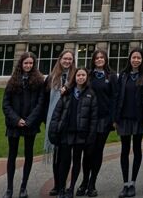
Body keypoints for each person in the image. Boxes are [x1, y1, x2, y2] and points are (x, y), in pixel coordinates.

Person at [1, 50, 45, 198]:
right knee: (12, 155)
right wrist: (16, 119)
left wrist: (29, 120)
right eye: (26, 63)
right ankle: (9, 188)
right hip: (14, 124)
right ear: (21, 63)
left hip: (30, 124)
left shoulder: (39, 81)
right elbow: (5, 104)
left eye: (31, 63)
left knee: (29, 154)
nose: (28, 65)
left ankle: (23, 187)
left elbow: (41, 104)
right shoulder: (13, 80)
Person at [49, 67, 98, 198]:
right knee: (64, 161)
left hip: (81, 134)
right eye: (78, 75)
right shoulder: (67, 93)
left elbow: (93, 118)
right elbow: (57, 112)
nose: (81, 77)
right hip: (66, 132)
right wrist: (54, 129)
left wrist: (91, 135)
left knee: (77, 162)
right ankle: (61, 188)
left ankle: (71, 188)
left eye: (83, 75)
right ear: (74, 77)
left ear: (86, 78)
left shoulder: (91, 94)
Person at [79, 49, 117, 197]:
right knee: (87, 152)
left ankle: (92, 184)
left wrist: (113, 119)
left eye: (102, 57)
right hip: (88, 120)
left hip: (104, 119)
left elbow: (115, 97)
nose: (100, 60)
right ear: (93, 60)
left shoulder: (112, 77)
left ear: (106, 59)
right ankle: (83, 181)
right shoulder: (88, 75)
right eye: (97, 58)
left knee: (97, 152)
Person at [115, 49, 143, 198]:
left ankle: (133, 182)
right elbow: (116, 97)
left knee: (137, 149)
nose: (136, 60)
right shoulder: (123, 75)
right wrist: (115, 118)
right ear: (129, 59)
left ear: (142, 60)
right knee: (124, 150)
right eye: (133, 57)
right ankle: (125, 183)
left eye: (138, 58)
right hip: (124, 118)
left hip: (138, 118)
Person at [45, 50, 76, 197]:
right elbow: (44, 101)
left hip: (69, 122)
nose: (67, 61)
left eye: (70, 59)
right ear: (60, 59)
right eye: (65, 58)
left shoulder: (75, 77)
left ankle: (63, 186)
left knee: (65, 156)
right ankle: (57, 185)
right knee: (56, 156)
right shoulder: (51, 78)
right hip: (54, 121)